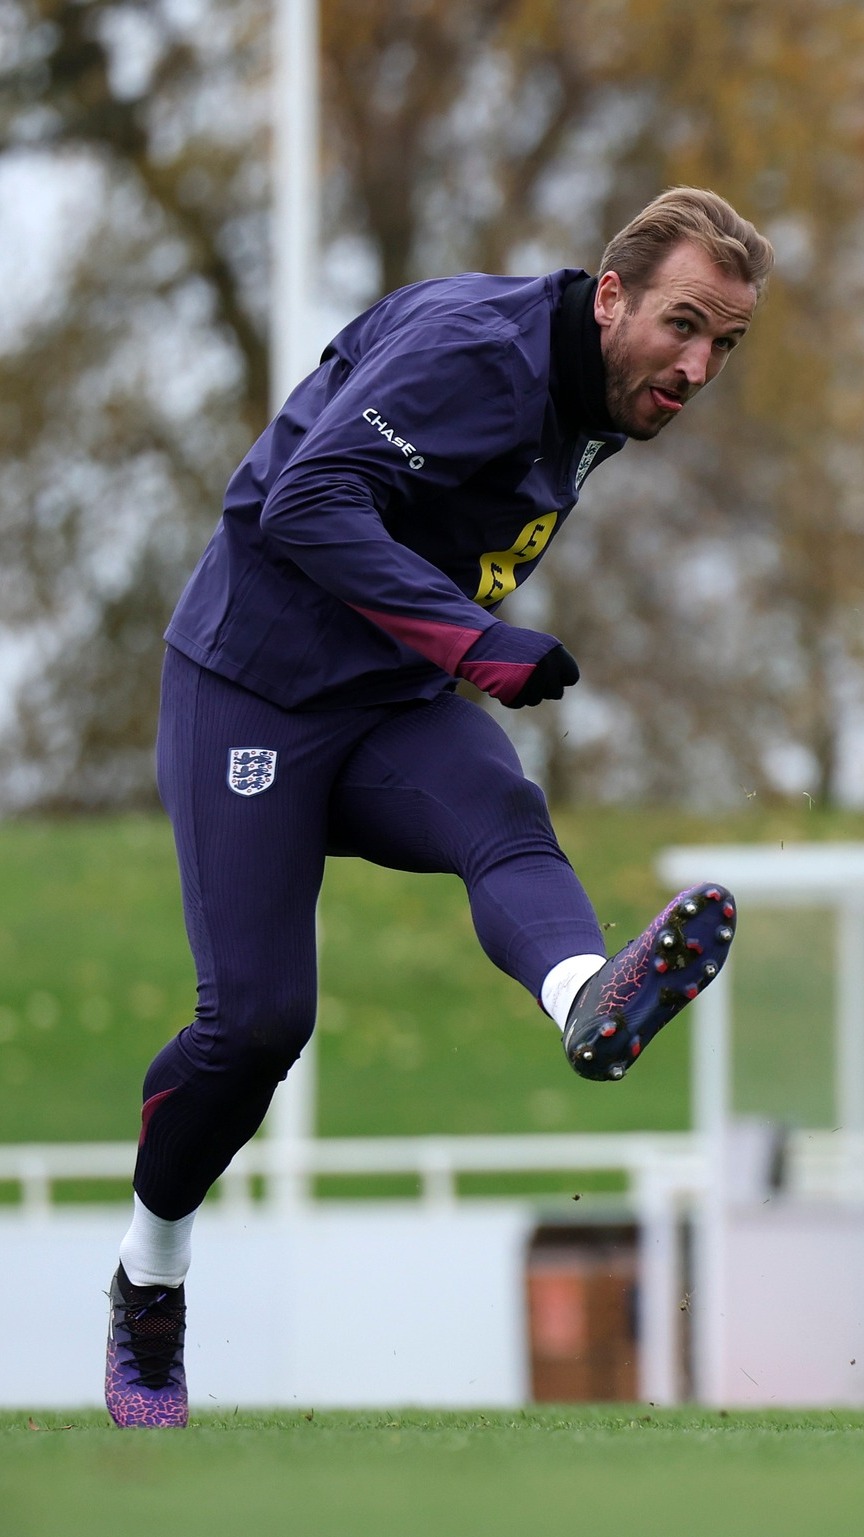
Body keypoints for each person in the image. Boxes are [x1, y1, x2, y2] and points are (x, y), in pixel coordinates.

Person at [103, 187, 774, 1428]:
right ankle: (151, 1283)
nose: (698, 365)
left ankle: (592, 1004)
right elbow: (305, 502)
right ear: (611, 293)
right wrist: (477, 643)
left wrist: (449, 652)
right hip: (252, 691)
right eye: (684, 325)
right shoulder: (480, 354)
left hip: (387, 700)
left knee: (499, 812)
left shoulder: (595, 395)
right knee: (256, 1027)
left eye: (723, 345)